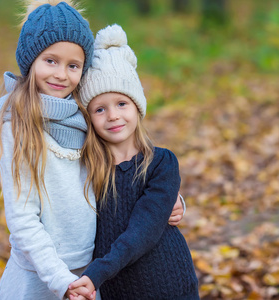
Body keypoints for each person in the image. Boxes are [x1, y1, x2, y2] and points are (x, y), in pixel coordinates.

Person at [0, 1, 184, 299]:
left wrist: (172, 198)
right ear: (30, 60)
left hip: (90, 273)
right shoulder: (16, 125)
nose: (61, 74)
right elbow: (23, 219)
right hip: (42, 275)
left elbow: (124, 172)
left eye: (73, 66)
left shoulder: (82, 116)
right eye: (50, 61)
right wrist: (60, 280)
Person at [68, 24, 199, 300]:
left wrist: (96, 273)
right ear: (88, 118)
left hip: (169, 287)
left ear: (137, 107)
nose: (113, 116)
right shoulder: (89, 169)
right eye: (100, 109)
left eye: (122, 104)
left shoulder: (161, 163)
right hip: (119, 290)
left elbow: (144, 228)